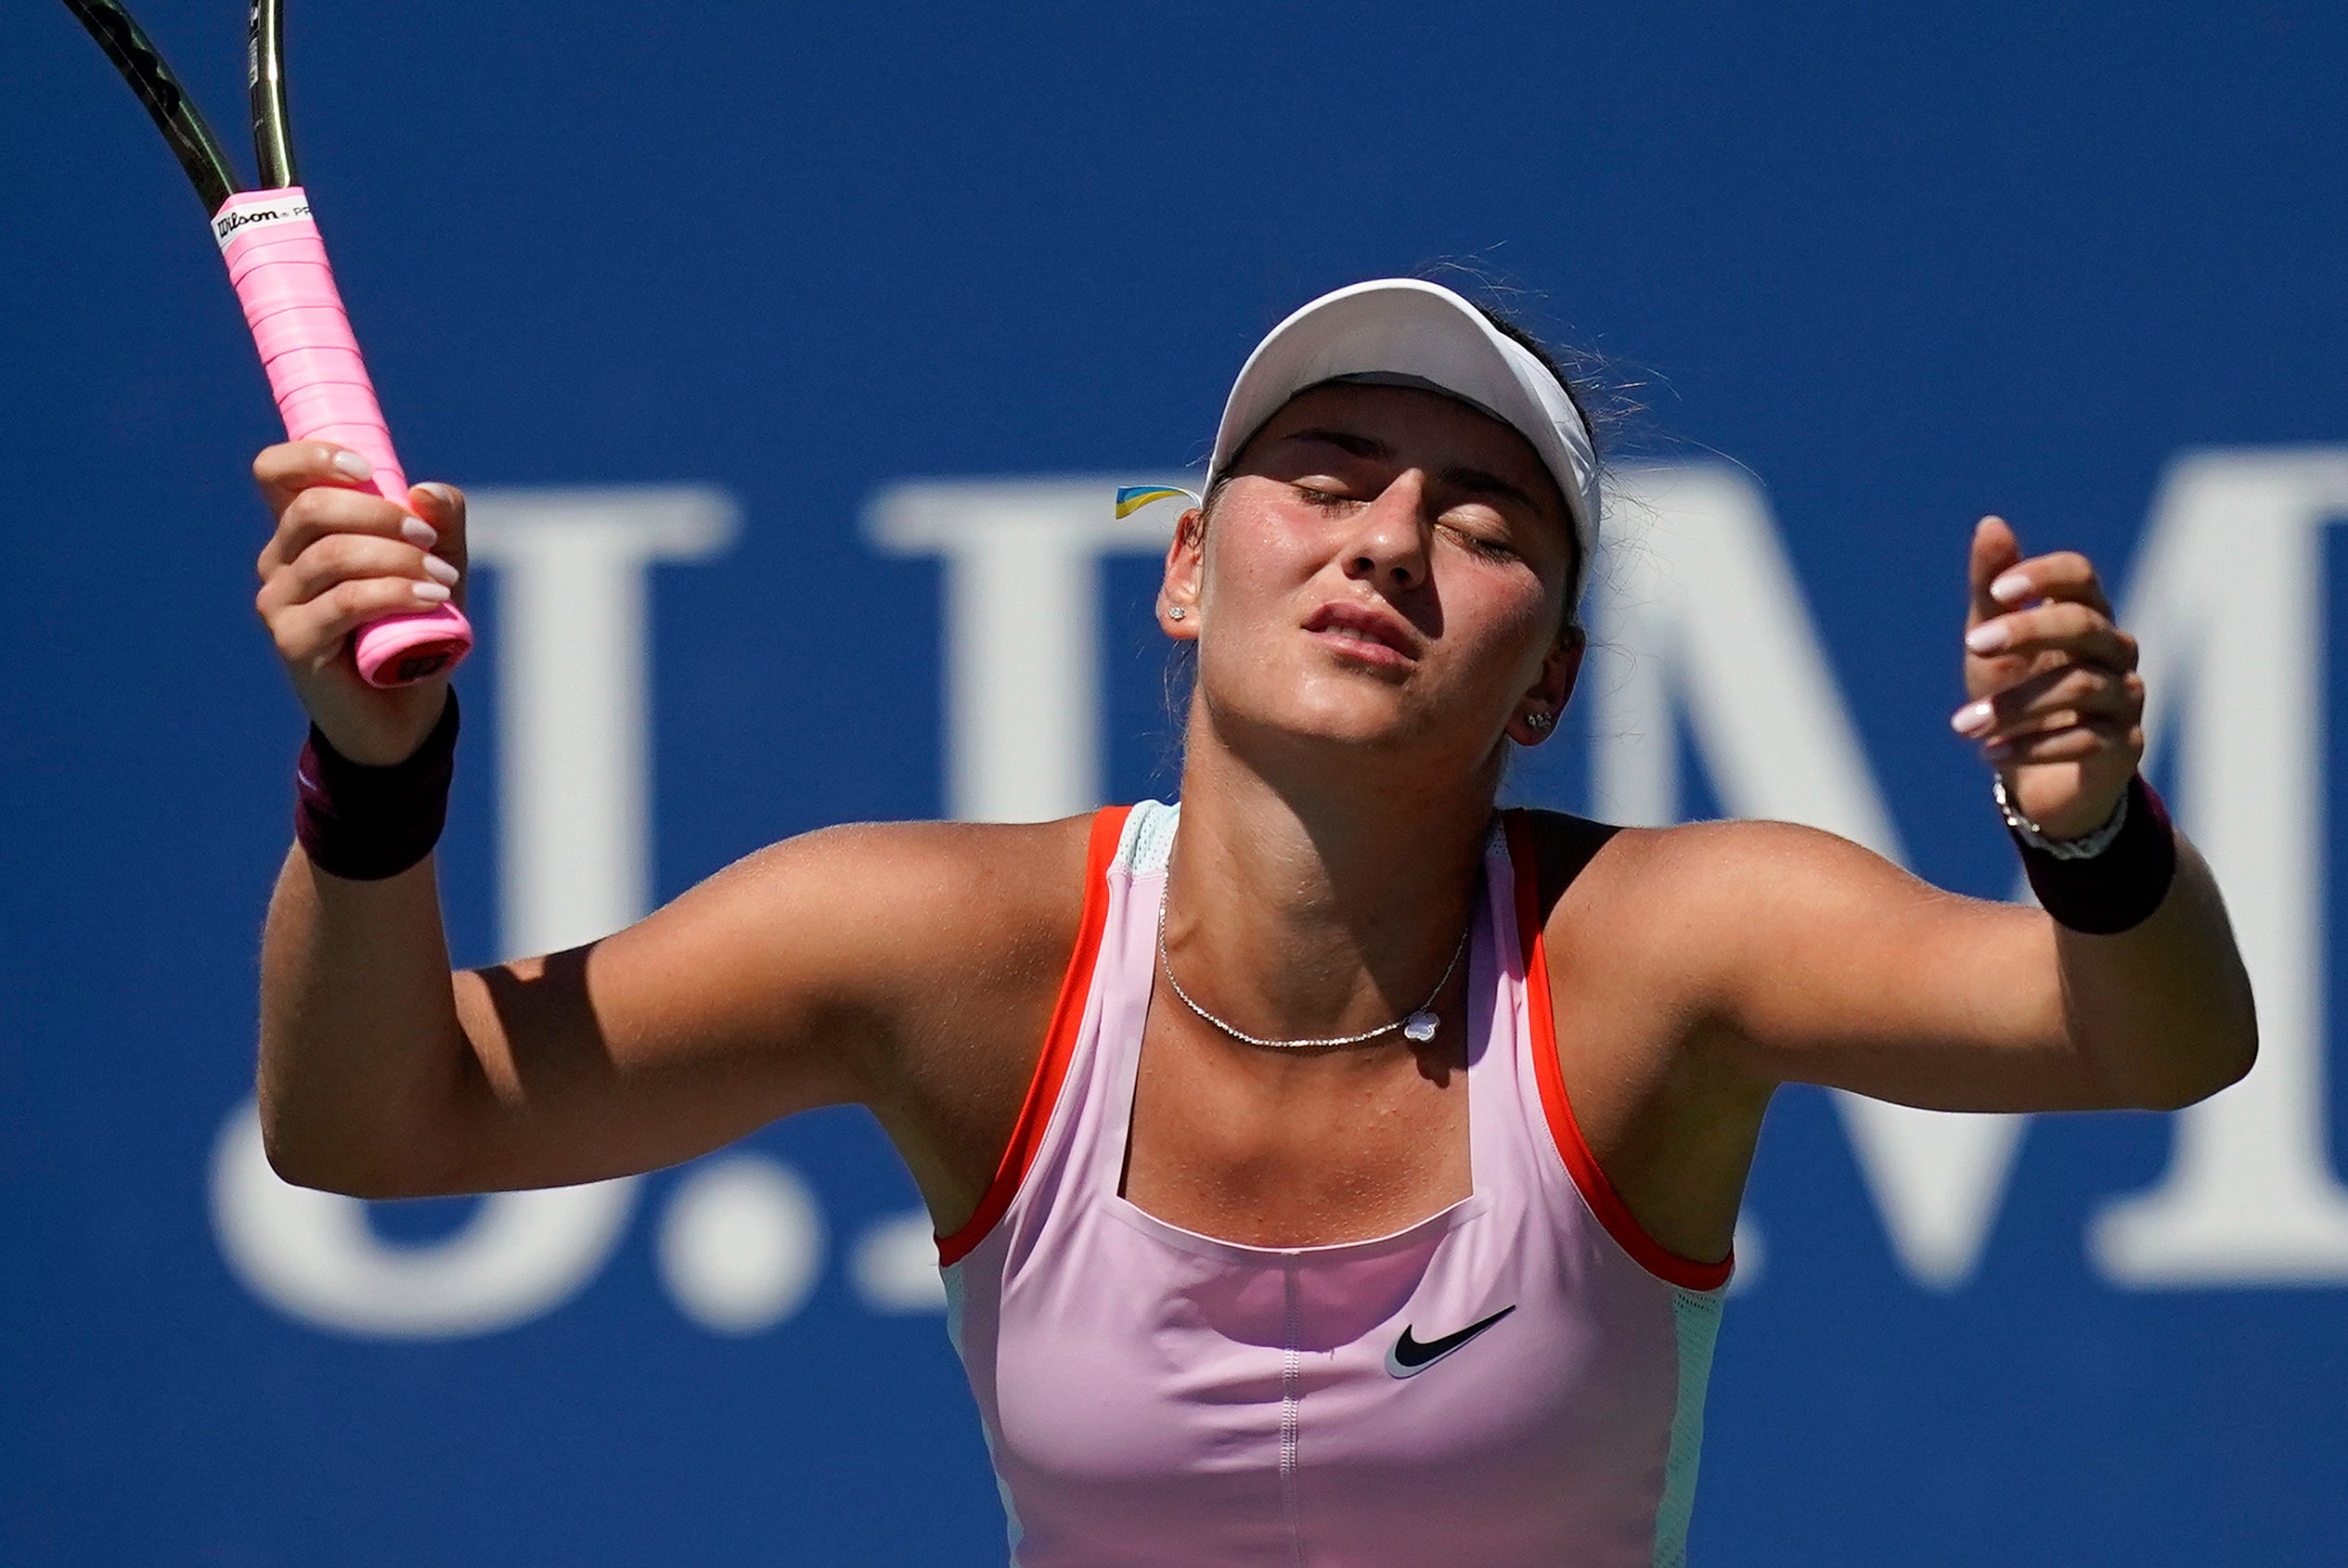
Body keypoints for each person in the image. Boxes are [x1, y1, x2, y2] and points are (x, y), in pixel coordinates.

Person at [249, 278, 2255, 1567]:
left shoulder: (1660, 946)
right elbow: (377, 1120)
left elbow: (2147, 1040)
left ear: (1544, 681)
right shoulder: (939, 947)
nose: (1388, 532)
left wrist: (2083, 838)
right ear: (1188, 571)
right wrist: (374, 768)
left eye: (1482, 522)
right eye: (1325, 473)